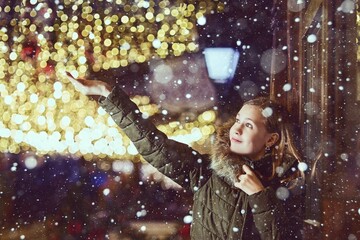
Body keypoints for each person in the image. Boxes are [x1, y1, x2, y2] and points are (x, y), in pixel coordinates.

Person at [66, 72, 305, 239]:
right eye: (238, 121)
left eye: (249, 125)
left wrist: (260, 196)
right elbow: (154, 146)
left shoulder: (285, 184)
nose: (237, 129)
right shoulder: (209, 173)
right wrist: (106, 93)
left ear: (271, 139)